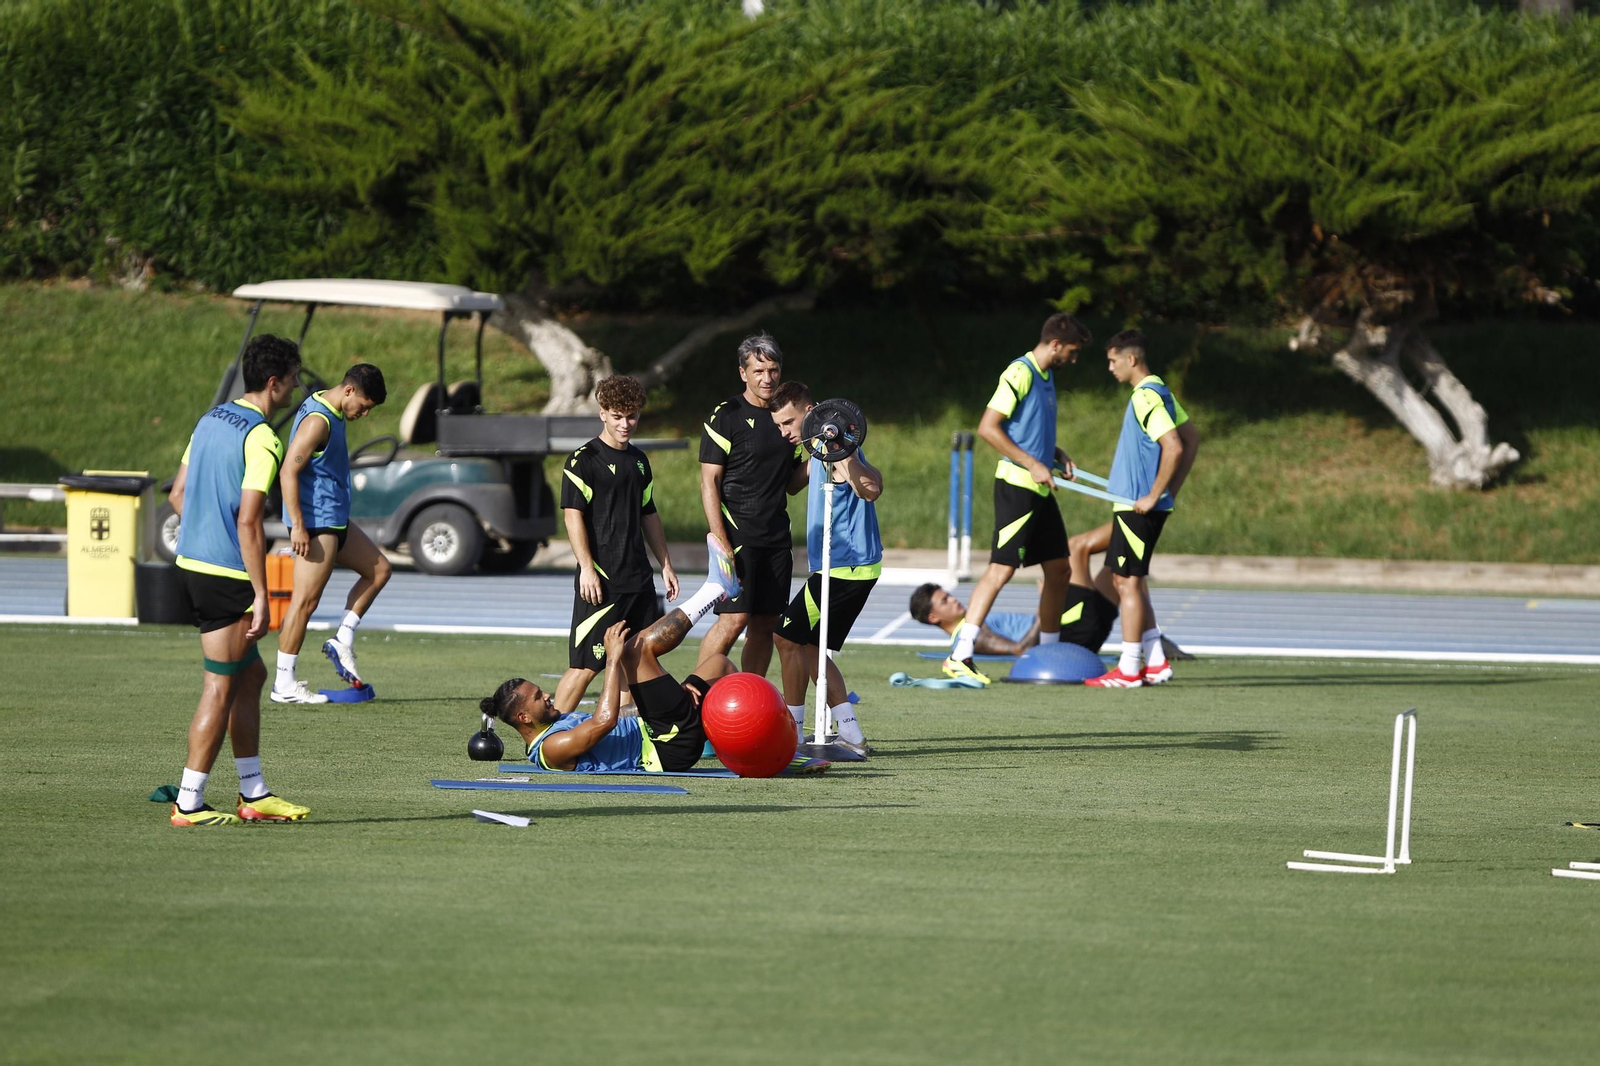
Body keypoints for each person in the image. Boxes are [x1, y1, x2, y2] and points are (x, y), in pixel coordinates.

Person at [482, 537, 827, 774]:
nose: (546, 694)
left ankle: (777, 755)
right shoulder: (550, 749)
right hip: (664, 748)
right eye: (537, 697)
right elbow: (605, 722)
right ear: (525, 718)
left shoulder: (555, 723)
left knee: (719, 664)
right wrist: (614, 659)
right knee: (634, 651)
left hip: (663, 729)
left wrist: (682, 691)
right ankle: (717, 589)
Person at [166, 335, 310, 826]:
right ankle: (189, 802)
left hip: (193, 566)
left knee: (251, 676)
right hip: (227, 577)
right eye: (293, 378)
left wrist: (205, 534)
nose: (295, 387)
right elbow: (250, 522)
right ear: (274, 382)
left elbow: (178, 494)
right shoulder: (262, 437)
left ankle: (254, 792)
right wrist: (263, 595)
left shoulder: (210, 418)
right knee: (220, 686)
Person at [943, 313, 1093, 685]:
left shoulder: (1047, 378)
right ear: (1055, 344)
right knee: (1001, 569)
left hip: (1039, 487)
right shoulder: (1020, 373)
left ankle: (1049, 649)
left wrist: (1053, 452)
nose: (1073, 360)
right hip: (1017, 487)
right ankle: (960, 654)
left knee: (1060, 569)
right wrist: (1031, 462)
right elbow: (988, 427)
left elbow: (1026, 429)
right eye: (1072, 352)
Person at [551, 375, 680, 713]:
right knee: (585, 666)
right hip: (602, 583)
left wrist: (665, 563)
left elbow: (648, 514)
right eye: (618, 416)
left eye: (632, 416)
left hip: (638, 579)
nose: (626, 424)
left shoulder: (639, 462)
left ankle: (621, 734)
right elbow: (572, 517)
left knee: (632, 661)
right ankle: (545, 741)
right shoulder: (583, 461)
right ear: (602, 414)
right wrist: (587, 569)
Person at [769, 382, 882, 756]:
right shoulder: (818, 449)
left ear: (812, 412)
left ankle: (793, 731)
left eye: (789, 422)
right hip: (841, 568)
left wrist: (842, 453)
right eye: (780, 426)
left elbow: (871, 488)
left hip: (845, 568)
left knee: (787, 638)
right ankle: (851, 734)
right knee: (812, 647)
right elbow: (793, 485)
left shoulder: (837, 447)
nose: (785, 432)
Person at [1085, 329, 1200, 688]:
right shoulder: (1160, 390)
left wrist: (1155, 495)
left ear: (1130, 359)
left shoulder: (1144, 396)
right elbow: (1191, 437)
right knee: (1128, 579)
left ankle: (1130, 668)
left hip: (1138, 508)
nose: (1109, 367)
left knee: (1127, 582)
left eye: (1112, 360)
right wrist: (1168, 492)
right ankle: (1155, 662)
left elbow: (1175, 446)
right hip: (1139, 505)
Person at [271, 364, 392, 703]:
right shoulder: (318, 421)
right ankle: (284, 683)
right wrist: (297, 524)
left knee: (379, 569)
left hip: (336, 519)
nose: (365, 414)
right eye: (365, 406)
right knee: (305, 603)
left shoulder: (332, 408)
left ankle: (343, 639)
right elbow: (287, 472)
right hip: (316, 523)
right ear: (349, 391)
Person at [698, 332, 806, 677]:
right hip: (736, 534)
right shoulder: (726, 415)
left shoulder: (787, 418)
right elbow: (709, 481)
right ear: (743, 372)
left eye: (772, 370)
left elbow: (790, 485)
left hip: (775, 536)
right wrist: (720, 539)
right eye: (758, 370)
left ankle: (749, 696)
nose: (767, 378)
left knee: (766, 622)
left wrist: (821, 456)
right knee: (733, 619)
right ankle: (695, 698)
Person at [910, 569, 1117, 659]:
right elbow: (1021, 649)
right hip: (1069, 631)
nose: (954, 599)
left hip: (1074, 628)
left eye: (949, 595)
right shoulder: (967, 637)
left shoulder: (971, 624)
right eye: (945, 601)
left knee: (1122, 568)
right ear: (933, 617)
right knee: (1077, 547)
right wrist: (1046, 603)